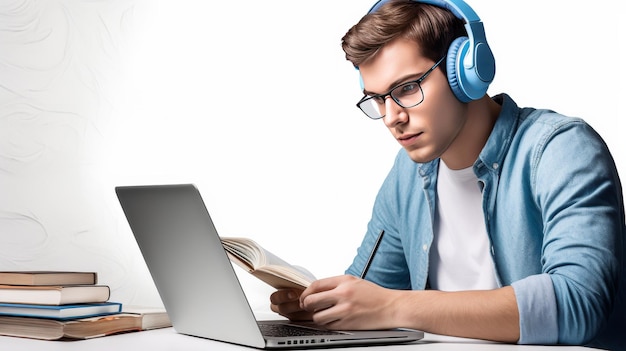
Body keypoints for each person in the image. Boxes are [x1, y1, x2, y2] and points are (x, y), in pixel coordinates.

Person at [270, 0, 625, 349]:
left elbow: (580, 302)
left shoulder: (559, 149)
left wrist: (393, 306)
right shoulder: (407, 174)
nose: (392, 116)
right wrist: (324, 308)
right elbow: (371, 294)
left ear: (466, 72)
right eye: (378, 99)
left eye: (407, 88)